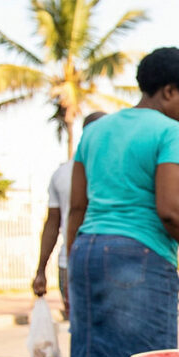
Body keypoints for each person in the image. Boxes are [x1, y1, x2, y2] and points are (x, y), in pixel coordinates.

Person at [65, 47, 179, 357]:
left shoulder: (96, 130)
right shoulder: (169, 132)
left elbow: (76, 207)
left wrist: (71, 260)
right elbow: (170, 210)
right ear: (169, 91)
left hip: (87, 251)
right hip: (138, 257)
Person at [32, 111, 106, 316]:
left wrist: (41, 271)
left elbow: (52, 224)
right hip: (105, 261)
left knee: (81, 326)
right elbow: (55, 222)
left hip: (71, 260)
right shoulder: (114, 167)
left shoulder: (62, 172)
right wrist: (40, 270)